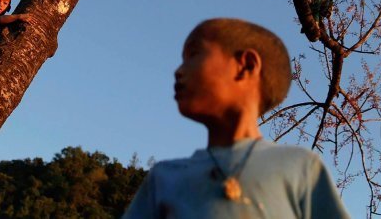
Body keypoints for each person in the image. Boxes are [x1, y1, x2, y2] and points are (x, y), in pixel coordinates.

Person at [122, 18, 351, 218]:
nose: (178, 70)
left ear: (246, 65)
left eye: (193, 54)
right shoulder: (164, 178)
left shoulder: (301, 168)